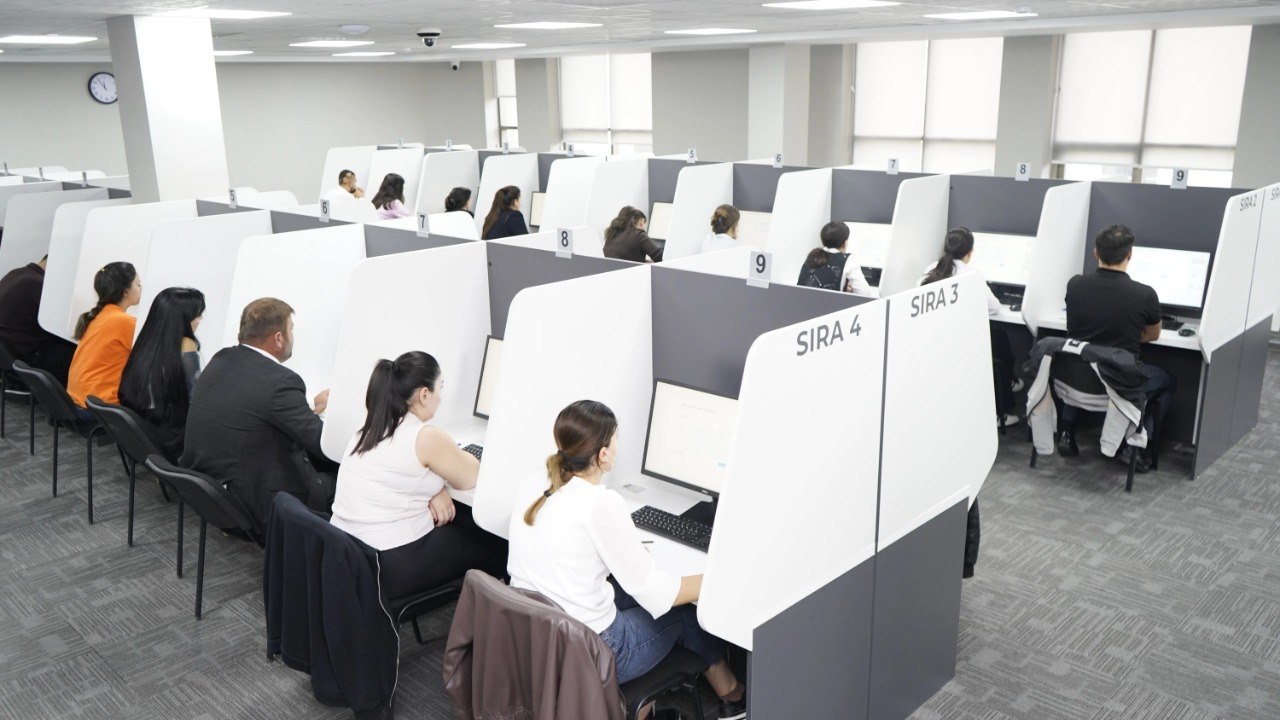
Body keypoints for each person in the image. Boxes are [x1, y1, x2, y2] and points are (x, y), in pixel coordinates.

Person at [507, 401, 747, 720]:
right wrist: (722, 576)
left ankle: (671, 701)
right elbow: (662, 594)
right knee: (685, 609)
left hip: (538, 638)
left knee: (626, 589)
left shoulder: (534, 483)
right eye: (616, 438)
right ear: (603, 454)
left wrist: (628, 552)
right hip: (596, 652)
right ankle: (731, 696)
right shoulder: (599, 503)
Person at [330, 351, 508, 600]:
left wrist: (435, 487)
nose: (440, 397)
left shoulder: (372, 423)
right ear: (424, 394)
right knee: (497, 543)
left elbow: (399, 475)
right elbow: (470, 476)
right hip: (388, 563)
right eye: (440, 388)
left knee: (462, 520)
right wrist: (440, 481)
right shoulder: (424, 437)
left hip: (347, 552)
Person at [180, 298, 332, 539]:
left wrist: (309, 410)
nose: (293, 336)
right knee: (348, 476)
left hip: (213, 494)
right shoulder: (281, 382)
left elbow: (255, 413)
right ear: (279, 338)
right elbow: (323, 444)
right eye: (291, 329)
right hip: (259, 505)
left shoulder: (222, 358)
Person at [1062, 224, 1174, 472]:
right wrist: (1124, 339)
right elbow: (1153, 335)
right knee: (1167, 381)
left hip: (1078, 380)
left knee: (1085, 357)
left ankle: (1066, 432)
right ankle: (1135, 448)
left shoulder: (1075, 284)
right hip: (1119, 382)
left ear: (1095, 253)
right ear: (1130, 255)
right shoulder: (1145, 294)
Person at [919, 227, 1019, 428]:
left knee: (997, 336)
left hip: (934, 343)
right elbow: (995, 307)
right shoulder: (972, 275)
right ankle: (1006, 394)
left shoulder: (931, 270)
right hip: (960, 348)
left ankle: (1010, 382)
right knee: (999, 337)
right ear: (970, 253)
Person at [118, 287, 206, 462]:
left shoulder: (146, 342)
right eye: (198, 315)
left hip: (144, 435)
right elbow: (197, 401)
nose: (200, 319)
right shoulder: (186, 345)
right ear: (182, 320)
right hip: (172, 442)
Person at [67, 262, 141, 416]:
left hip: (77, 398)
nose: (141, 288)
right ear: (125, 291)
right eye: (138, 284)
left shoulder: (99, 315)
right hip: (99, 404)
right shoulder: (123, 322)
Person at [0, 255, 76, 384]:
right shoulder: (40, 284)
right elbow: (63, 328)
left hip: (8, 353)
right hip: (25, 356)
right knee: (82, 354)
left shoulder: (16, 273)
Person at [796, 221, 873, 295]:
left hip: (803, 302)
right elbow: (865, 293)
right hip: (830, 303)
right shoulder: (848, 259)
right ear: (845, 242)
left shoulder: (813, 255)